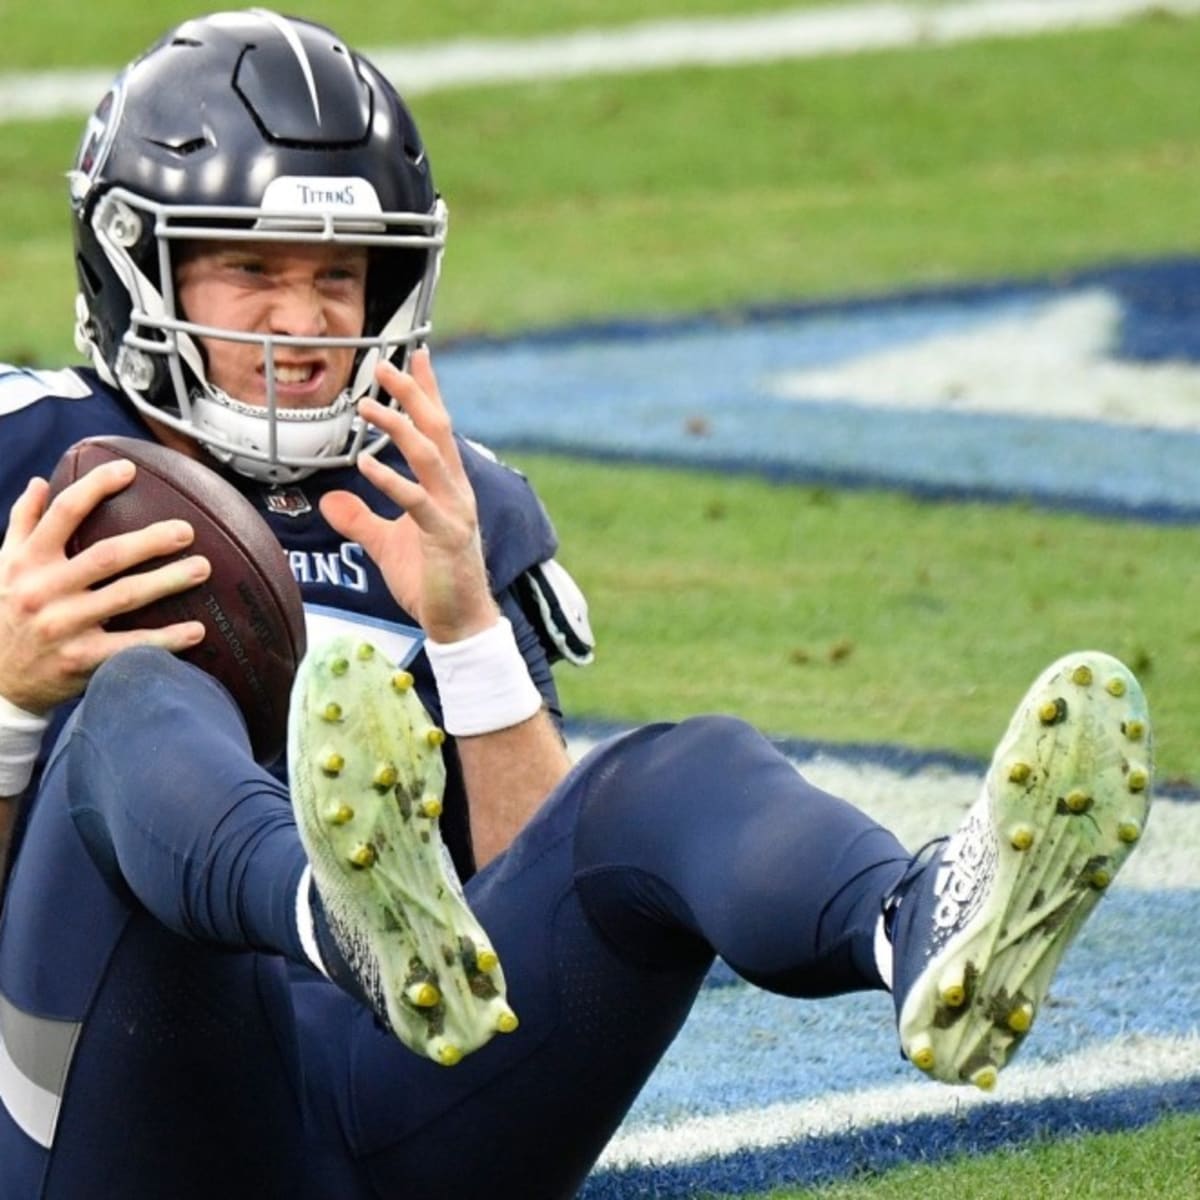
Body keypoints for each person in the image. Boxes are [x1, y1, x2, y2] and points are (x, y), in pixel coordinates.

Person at [0, 10, 1153, 1200]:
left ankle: (921, 919)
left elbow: (537, 907)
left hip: (394, 1109)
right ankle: (326, 909)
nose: (303, 324)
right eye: (251, 266)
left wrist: (468, 633)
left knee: (667, 775)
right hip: (102, 1110)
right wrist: (12, 703)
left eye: (338, 276)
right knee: (137, 699)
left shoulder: (443, 496)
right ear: (135, 259)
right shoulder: (29, 454)